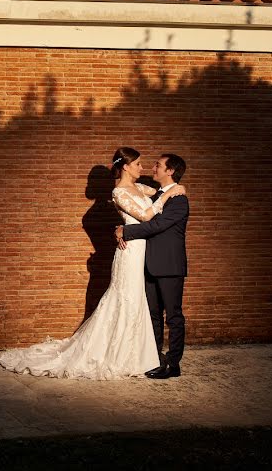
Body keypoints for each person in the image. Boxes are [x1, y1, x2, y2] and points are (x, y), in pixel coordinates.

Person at [0, 147, 185, 380]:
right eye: (138, 164)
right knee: (126, 301)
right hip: (130, 253)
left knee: (139, 305)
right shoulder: (119, 192)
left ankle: (144, 356)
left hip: (143, 254)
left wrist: (174, 190)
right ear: (125, 166)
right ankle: (119, 354)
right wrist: (165, 196)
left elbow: (155, 196)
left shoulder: (142, 188)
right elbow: (146, 216)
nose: (143, 168)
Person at [115, 153, 189, 380]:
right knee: (153, 316)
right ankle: (155, 360)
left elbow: (155, 225)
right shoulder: (157, 194)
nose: (152, 168)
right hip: (147, 264)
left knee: (173, 316)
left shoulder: (178, 199)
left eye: (158, 165)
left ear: (170, 171)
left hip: (169, 265)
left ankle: (173, 364)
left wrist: (125, 231)